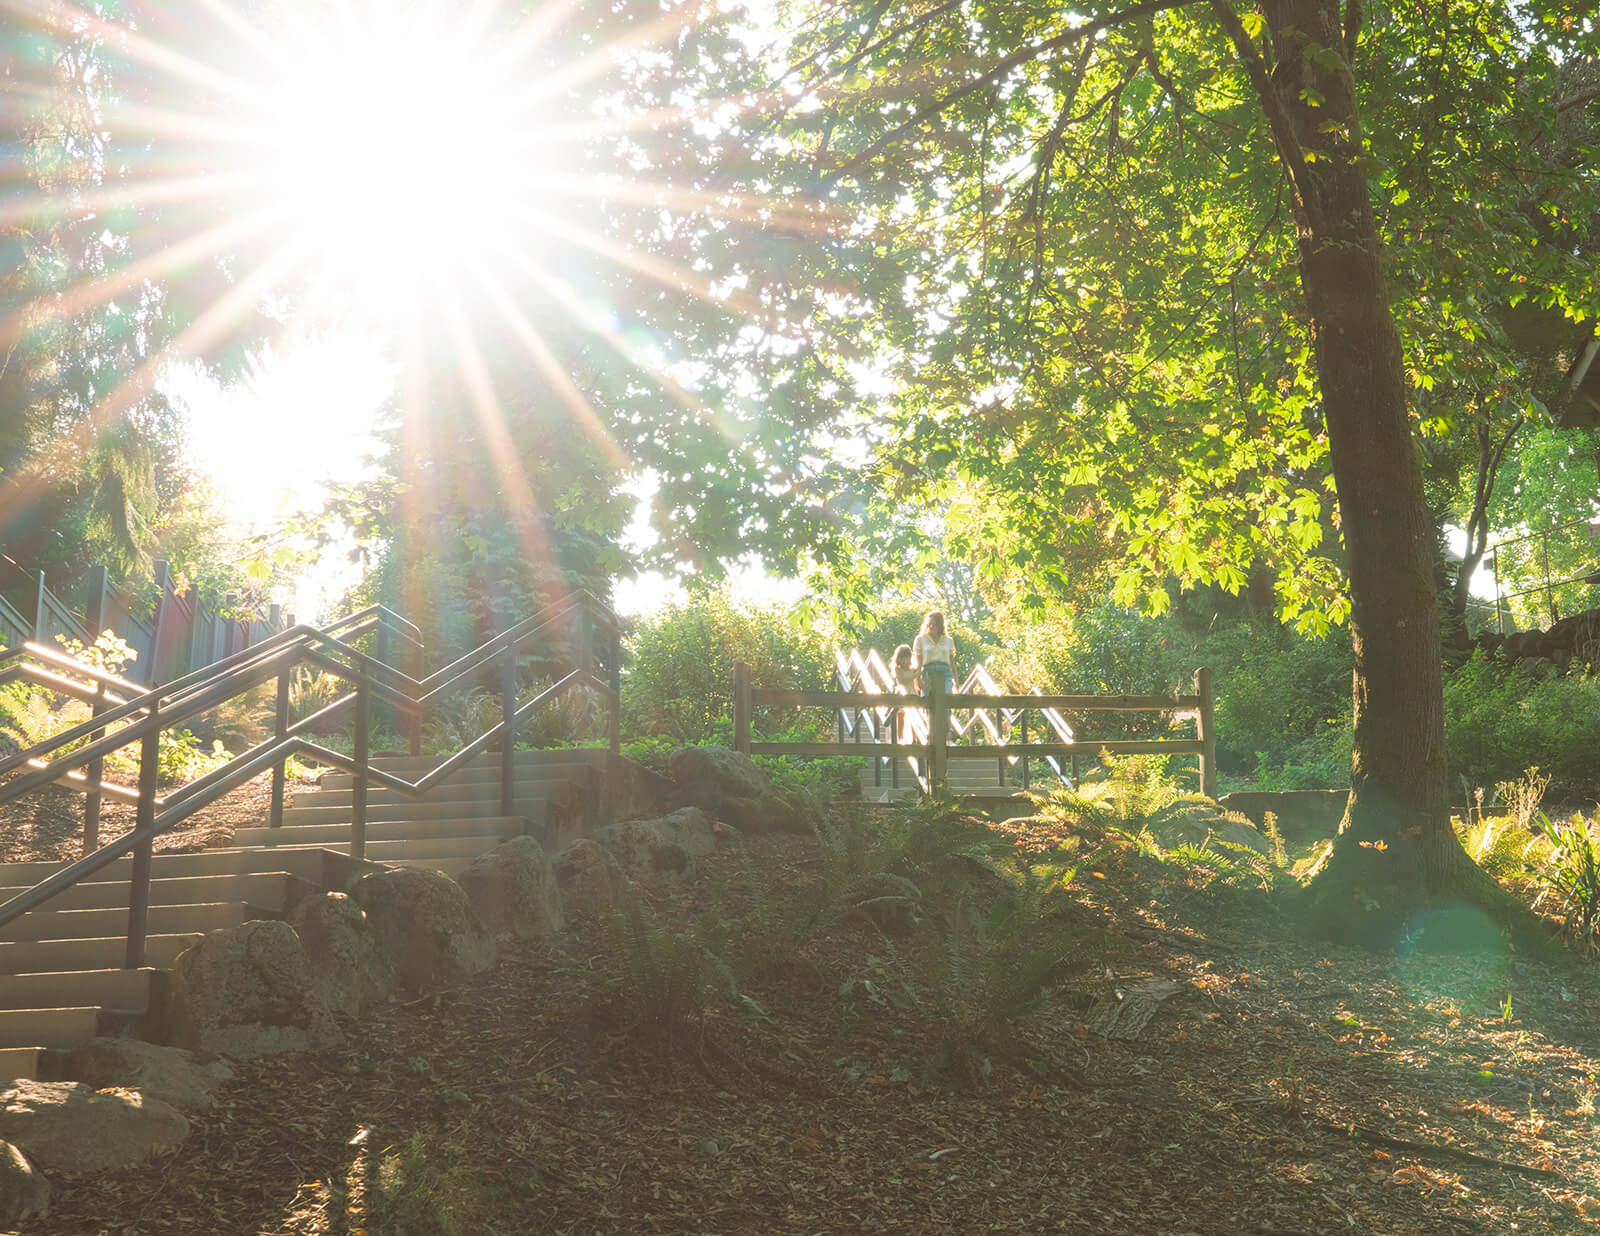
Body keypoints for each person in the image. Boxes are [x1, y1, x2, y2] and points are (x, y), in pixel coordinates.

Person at [912, 610, 957, 698]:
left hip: (945, 673)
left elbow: (952, 664)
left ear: (940, 626)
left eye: (935, 624)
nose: (932, 626)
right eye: (930, 624)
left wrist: (956, 683)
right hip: (928, 672)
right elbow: (918, 663)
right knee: (929, 702)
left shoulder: (948, 640)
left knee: (946, 699)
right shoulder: (920, 639)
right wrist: (917, 680)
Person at [889, 643, 917, 743]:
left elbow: (918, 683)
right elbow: (904, 680)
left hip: (912, 694)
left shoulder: (913, 669)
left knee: (914, 717)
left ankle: (914, 739)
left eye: (907, 658)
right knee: (901, 717)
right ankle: (900, 739)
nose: (905, 661)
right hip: (901, 694)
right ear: (898, 659)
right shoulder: (898, 669)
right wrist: (917, 674)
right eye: (902, 658)